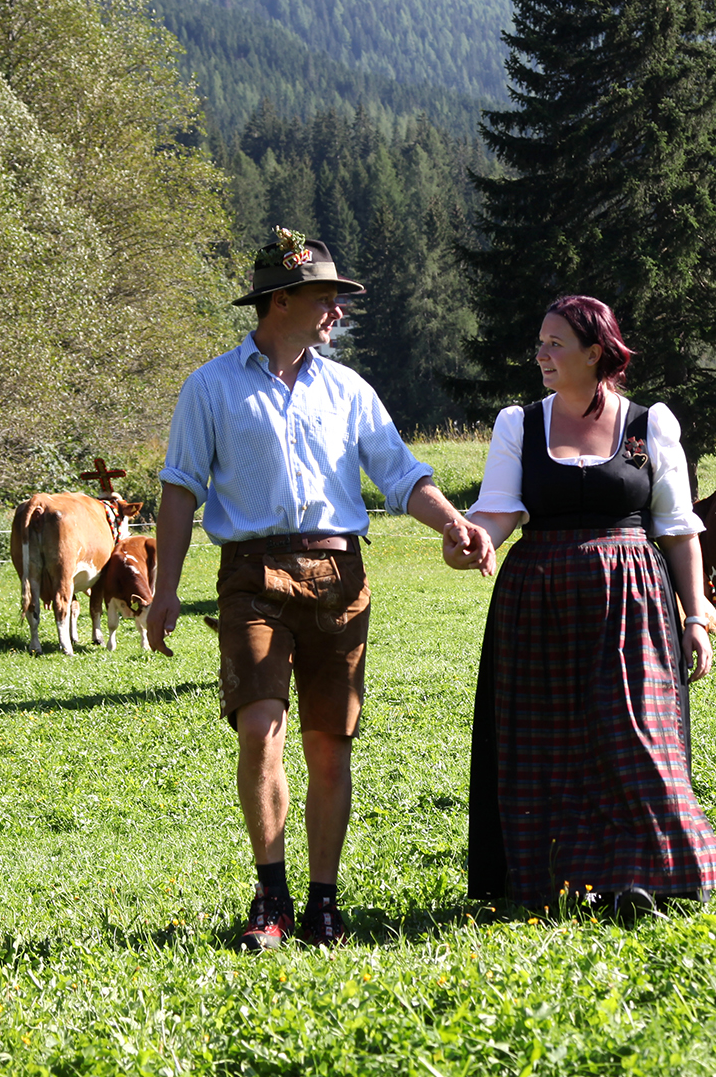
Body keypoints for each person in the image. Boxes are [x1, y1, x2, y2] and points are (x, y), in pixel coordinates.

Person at [146, 228, 495, 951]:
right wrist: (165, 588)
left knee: (329, 745)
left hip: (341, 579)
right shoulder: (211, 386)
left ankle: (324, 903)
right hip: (251, 576)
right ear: (281, 300)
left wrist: (452, 522)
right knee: (260, 729)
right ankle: (270, 898)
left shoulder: (348, 390)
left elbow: (401, 475)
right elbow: (179, 490)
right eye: (326, 297)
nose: (337, 311)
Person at [449, 295, 716, 916]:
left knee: (639, 736)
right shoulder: (518, 423)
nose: (541, 355)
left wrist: (697, 616)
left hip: (633, 602)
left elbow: (678, 528)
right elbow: (498, 510)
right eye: (540, 342)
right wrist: (473, 541)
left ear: (594, 352)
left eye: (555, 344)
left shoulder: (649, 424)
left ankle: (664, 875)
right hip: (536, 603)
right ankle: (565, 883)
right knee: (547, 747)